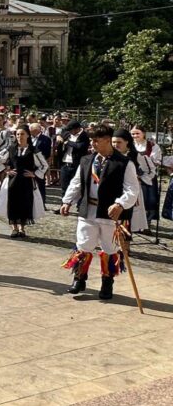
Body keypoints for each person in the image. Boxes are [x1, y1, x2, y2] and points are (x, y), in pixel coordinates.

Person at [60, 124, 139, 300]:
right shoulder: (87, 160)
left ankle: (107, 282)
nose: (92, 144)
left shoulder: (124, 163)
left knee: (110, 248)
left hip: (110, 214)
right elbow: (77, 183)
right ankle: (79, 278)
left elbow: (132, 189)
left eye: (96, 140)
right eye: (91, 140)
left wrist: (120, 204)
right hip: (88, 210)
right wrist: (67, 201)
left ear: (107, 140)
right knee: (83, 244)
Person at [0, 124, 48, 238]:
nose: (19, 136)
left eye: (22, 134)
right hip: (12, 181)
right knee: (12, 203)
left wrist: (34, 174)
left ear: (28, 135)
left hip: (26, 181)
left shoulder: (33, 150)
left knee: (25, 203)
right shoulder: (11, 148)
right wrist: (6, 171)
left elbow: (44, 165)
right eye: (17, 134)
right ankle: (14, 228)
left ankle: (22, 228)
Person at [112, 128, 151, 234]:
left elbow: (150, 171)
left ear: (127, 142)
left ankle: (124, 248)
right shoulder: (110, 155)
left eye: (119, 142)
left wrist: (140, 178)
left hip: (131, 192)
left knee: (128, 221)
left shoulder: (135, 155)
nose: (116, 145)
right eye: (113, 142)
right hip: (113, 190)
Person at [130, 126, 161, 223]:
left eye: (137, 133)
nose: (135, 136)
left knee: (149, 200)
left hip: (148, 176)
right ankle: (134, 222)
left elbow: (156, 160)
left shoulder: (152, 146)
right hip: (133, 175)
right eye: (133, 134)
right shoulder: (130, 145)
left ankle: (147, 222)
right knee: (135, 199)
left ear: (143, 133)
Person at [57, 120, 89, 195]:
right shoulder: (68, 134)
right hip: (65, 163)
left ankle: (79, 205)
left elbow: (80, 146)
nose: (70, 132)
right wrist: (58, 136)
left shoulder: (84, 136)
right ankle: (63, 204)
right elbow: (59, 134)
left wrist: (68, 142)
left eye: (71, 130)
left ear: (77, 129)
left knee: (78, 187)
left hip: (77, 165)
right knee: (64, 186)